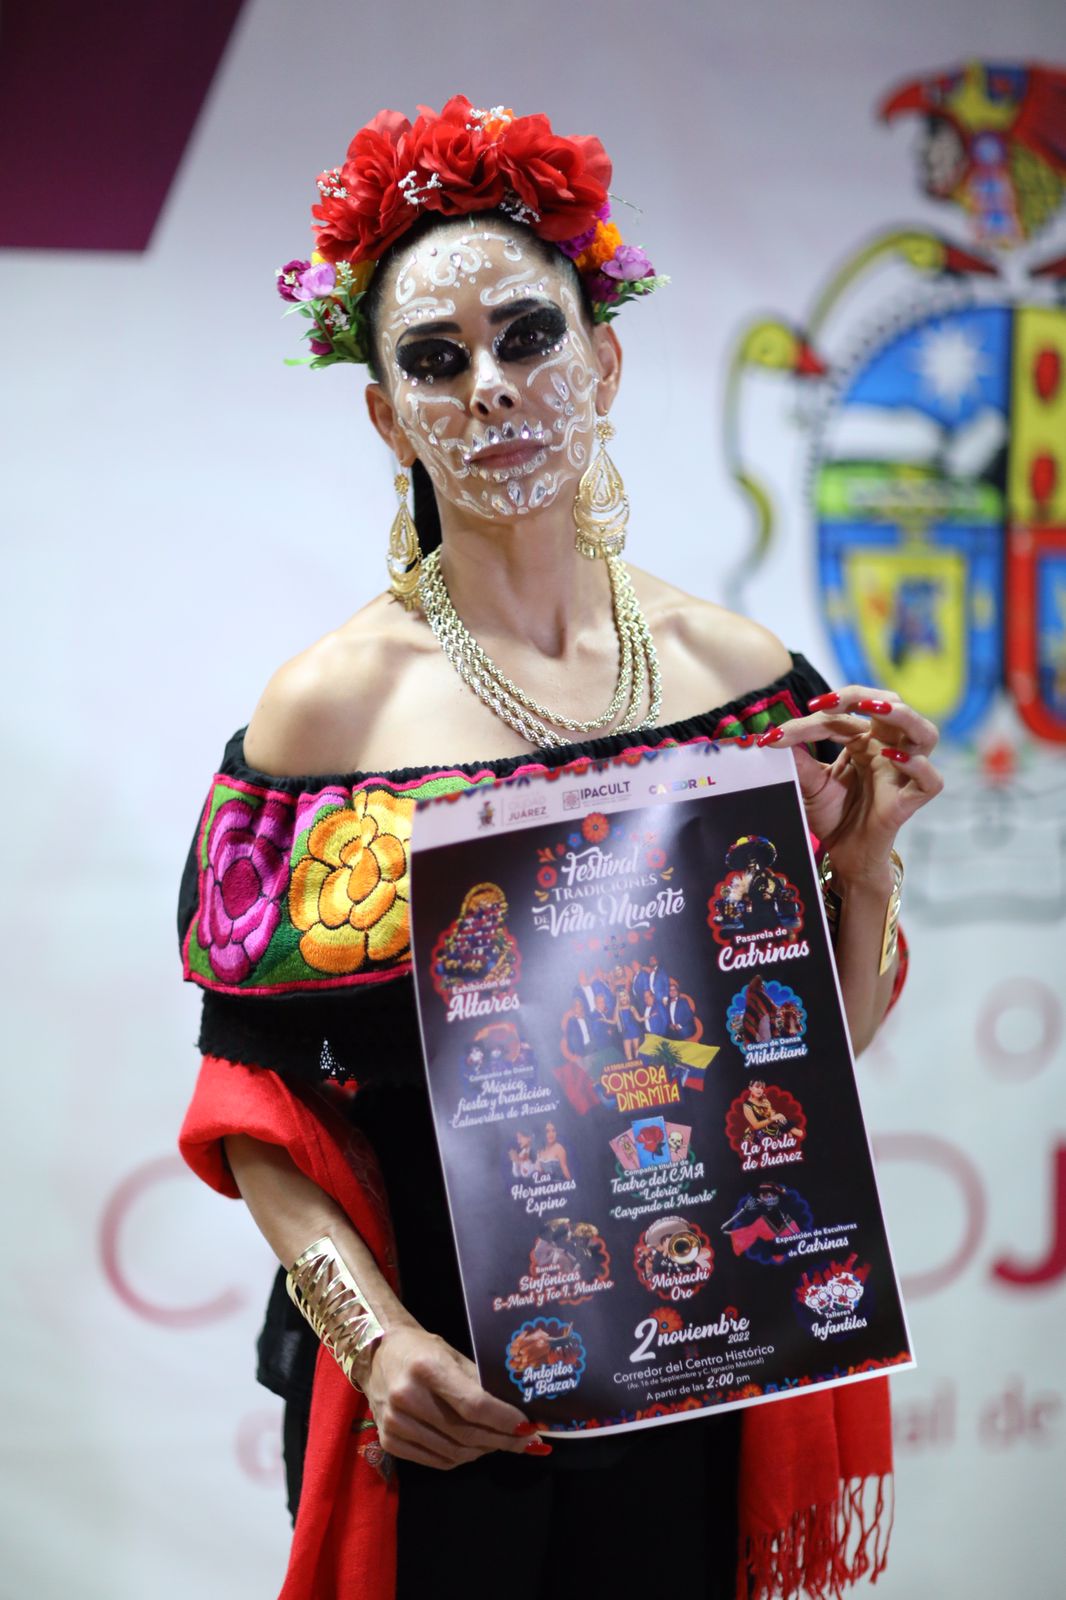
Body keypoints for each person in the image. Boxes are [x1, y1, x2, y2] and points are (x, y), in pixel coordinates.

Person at [177, 96, 942, 1600]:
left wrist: (862, 866)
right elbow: (253, 1109)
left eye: (528, 337)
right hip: (444, 1391)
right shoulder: (326, 712)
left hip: (693, 1347)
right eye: (435, 359)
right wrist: (374, 1340)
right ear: (386, 416)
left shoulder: (738, 675)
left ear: (603, 361)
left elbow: (796, 1067)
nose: (491, 389)